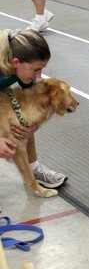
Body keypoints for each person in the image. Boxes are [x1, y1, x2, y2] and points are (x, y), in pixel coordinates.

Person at [0, 28, 67, 188]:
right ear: (16, 63)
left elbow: (31, 107)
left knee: (22, 120)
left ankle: (33, 168)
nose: (39, 75)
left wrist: (33, 127)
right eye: (36, 69)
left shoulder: (19, 66)